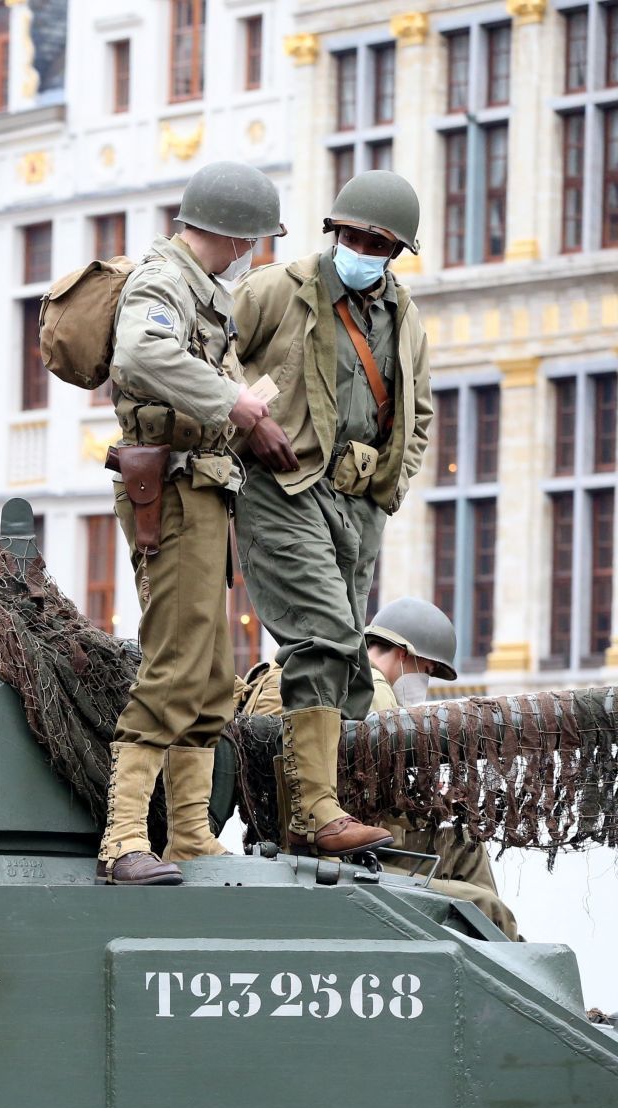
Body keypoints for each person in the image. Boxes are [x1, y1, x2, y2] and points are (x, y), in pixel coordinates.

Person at [98, 160, 295, 886]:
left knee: (213, 673)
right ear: (239, 235)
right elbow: (141, 353)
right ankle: (123, 838)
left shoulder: (203, 290)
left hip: (207, 488)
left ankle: (187, 833)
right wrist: (234, 403)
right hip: (174, 490)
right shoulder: (163, 280)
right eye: (255, 239)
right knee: (176, 660)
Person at [230, 170, 432, 858]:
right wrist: (246, 417)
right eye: (350, 235)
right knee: (321, 635)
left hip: (356, 505)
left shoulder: (405, 317)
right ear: (333, 232)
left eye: (376, 240)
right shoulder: (274, 290)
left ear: (396, 250)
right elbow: (205, 355)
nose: (361, 247)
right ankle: (316, 811)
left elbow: (419, 412)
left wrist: (391, 486)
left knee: (347, 664)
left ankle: (311, 813)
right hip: (283, 489)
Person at [235, 597, 519, 937]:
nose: (424, 682)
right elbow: (373, 801)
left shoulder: (287, 676)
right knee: (486, 905)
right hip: (341, 852)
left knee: (463, 839)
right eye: (426, 670)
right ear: (404, 654)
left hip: (299, 838)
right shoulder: (371, 689)